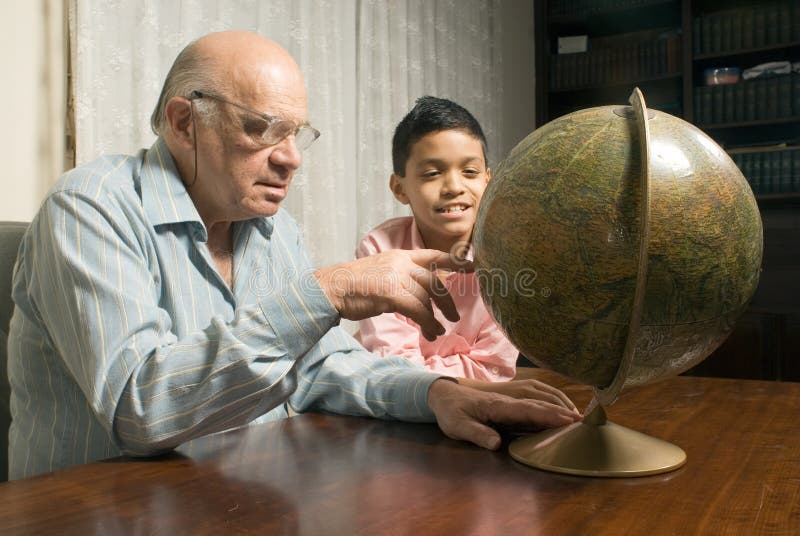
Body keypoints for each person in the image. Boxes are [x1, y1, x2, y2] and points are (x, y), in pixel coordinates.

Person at [7, 31, 580, 480]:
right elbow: (141, 409)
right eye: (264, 130)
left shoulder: (274, 230)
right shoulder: (89, 209)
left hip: (246, 494)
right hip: (94, 505)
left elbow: (322, 367)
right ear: (185, 122)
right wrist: (329, 292)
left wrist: (436, 396)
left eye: (298, 134)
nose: (291, 159)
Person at [356, 97, 548, 398]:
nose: (454, 187)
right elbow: (390, 369)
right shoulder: (379, 249)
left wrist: (419, 372)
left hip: (480, 410)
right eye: (432, 174)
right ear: (399, 188)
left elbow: (494, 371)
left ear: (488, 181)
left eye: (470, 172)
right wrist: (456, 373)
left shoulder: (509, 258)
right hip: (394, 415)